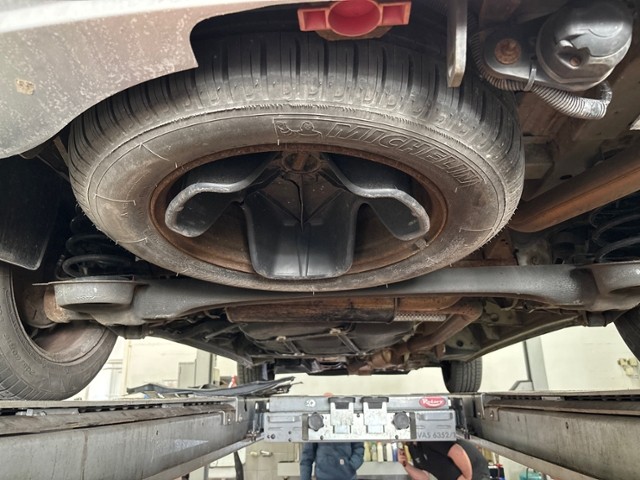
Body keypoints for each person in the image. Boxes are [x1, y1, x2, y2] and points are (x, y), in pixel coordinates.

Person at [397, 439, 490, 480]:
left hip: (475, 474)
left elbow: (458, 452)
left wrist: (467, 477)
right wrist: (405, 464)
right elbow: (424, 477)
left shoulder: (428, 437)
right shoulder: (412, 448)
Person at [299, 442, 365, 480]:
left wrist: (350, 466)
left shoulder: (349, 422)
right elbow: (307, 457)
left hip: (347, 477)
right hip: (323, 477)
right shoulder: (316, 424)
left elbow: (359, 449)